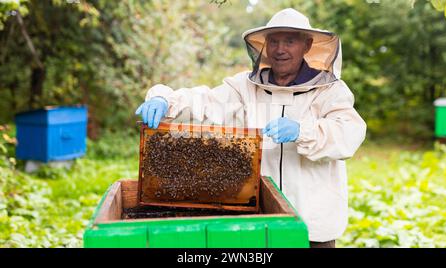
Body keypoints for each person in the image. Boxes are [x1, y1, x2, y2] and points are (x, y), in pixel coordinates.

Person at [135, 8, 366, 248]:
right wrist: (165, 99)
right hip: (260, 219)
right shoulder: (245, 87)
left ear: (307, 45)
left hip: (313, 224)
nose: (280, 49)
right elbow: (205, 102)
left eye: (290, 41)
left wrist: (302, 131)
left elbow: (349, 132)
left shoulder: (330, 91)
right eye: (274, 41)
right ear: (264, 45)